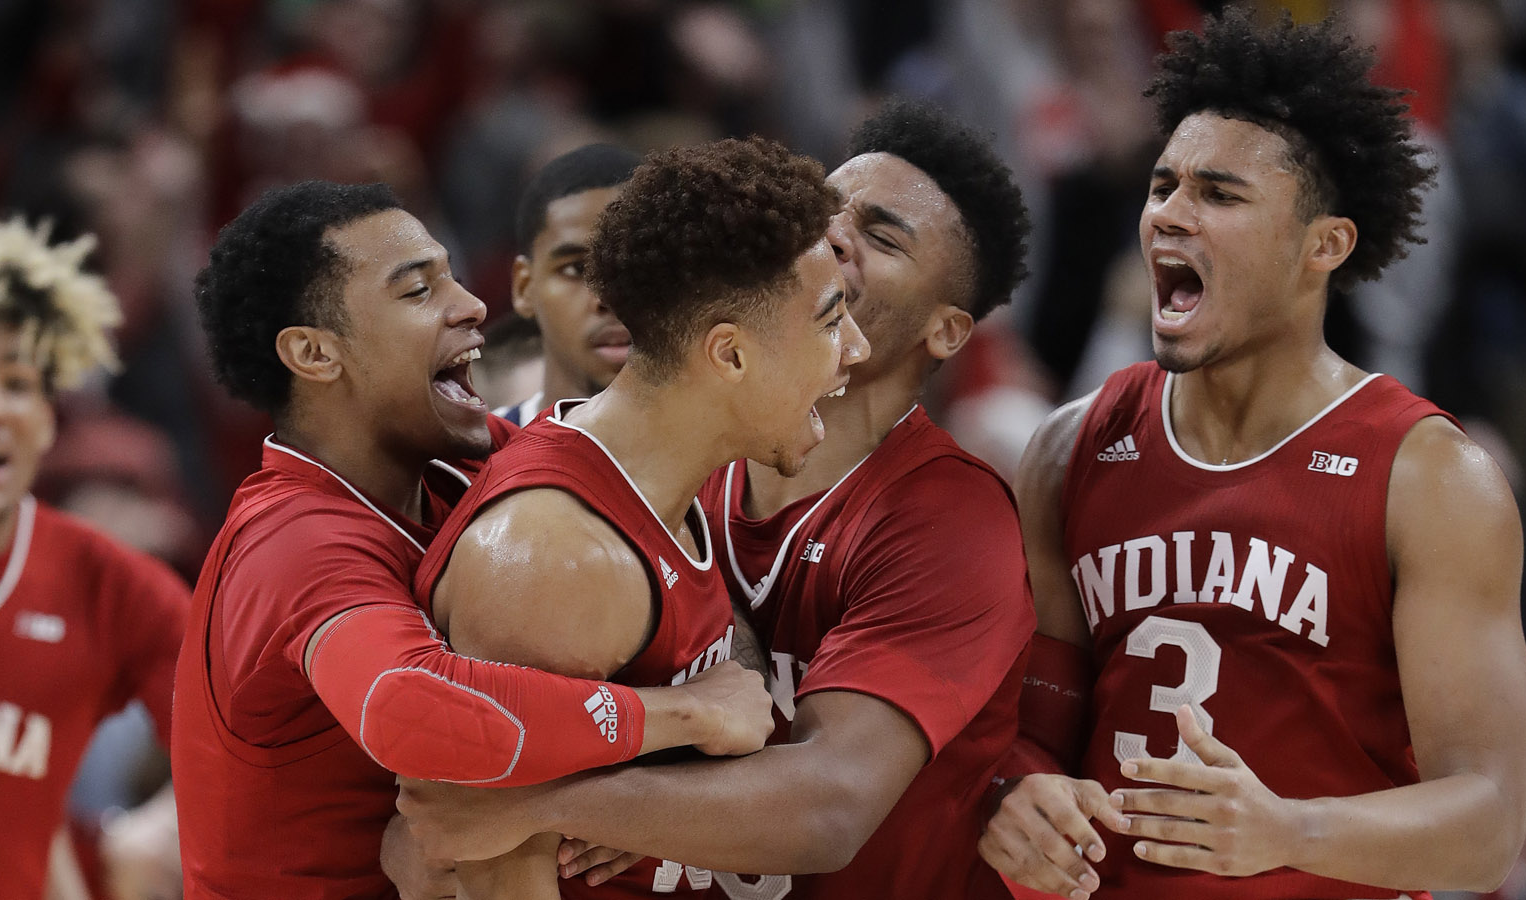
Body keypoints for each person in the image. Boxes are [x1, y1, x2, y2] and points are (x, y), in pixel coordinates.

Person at [397, 99, 1039, 900]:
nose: (834, 238)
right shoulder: (596, 515)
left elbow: (825, 801)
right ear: (729, 353)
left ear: (946, 331)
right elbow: (461, 835)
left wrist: (572, 804)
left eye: (879, 237)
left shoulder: (940, 518)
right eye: (829, 212)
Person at [982, 10, 1526, 900]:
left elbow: (1489, 824)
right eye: (1162, 186)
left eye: (1219, 194)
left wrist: (1289, 829)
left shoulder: (1430, 478)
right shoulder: (1071, 446)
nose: (1169, 215)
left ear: (1325, 246)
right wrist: (1014, 787)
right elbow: (1040, 725)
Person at [173, 180, 775, 900]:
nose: (471, 304)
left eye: (452, 275)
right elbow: (411, 709)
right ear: (313, 352)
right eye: (418, 291)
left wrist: (631, 797)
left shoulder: (468, 461)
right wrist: (684, 715)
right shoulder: (293, 543)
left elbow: (674, 561)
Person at [410, 135, 865, 899]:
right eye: (829, 320)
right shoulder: (556, 557)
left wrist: (653, 788)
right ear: (730, 355)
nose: (853, 347)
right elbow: (486, 854)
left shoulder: (657, 483)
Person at [0, 216, 189, 900]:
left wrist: (157, 832)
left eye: (18, 384)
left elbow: (253, 750)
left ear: (49, 421)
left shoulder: (104, 585)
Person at [497, 143, 641, 425]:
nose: (608, 296)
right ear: (524, 287)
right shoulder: (473, 463)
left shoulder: (742, 457)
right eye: (576, 268)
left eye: (636, 263)